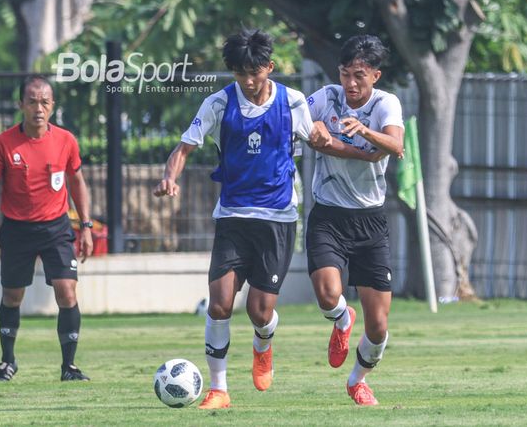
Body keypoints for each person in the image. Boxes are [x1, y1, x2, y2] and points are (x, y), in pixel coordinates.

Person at [153, 28, 330, 409]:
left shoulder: (292, 100)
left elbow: (314, 133)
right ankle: (219, 389)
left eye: (255, 72)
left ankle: (262, 347)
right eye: (240, 74)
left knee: (259, 312)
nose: (248, 81)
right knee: (219, 305)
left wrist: (320, 136)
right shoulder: (218, 104)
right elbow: (184, 147)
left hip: (278, 219)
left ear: (270, 66)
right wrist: (169, 177)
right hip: (233, 216)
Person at [304, 35, 405, 406]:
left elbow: (394, 147)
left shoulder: (385, 104)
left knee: (378, 328)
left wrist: (362, 132)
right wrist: (312, 131)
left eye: (359, 75)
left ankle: (357, 380)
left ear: (375, 75)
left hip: (371, 222)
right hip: (328, 215)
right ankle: (342, 318)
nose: (350, 83)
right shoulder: (325, 98)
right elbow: (297, 121)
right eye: (345, 74)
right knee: (329, 295)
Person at [0, 76, 94, 382]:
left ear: (52, 106)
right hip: (16, 229)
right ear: (21, 105)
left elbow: (77, 182)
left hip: (56, 227)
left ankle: (69, 366)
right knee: (13, 296)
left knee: (67, 291)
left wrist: (85, 226)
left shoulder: (66, 141)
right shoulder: (4, 143)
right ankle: (7, 362)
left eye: (44, 102)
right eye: (32, 101)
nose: (38, 108)